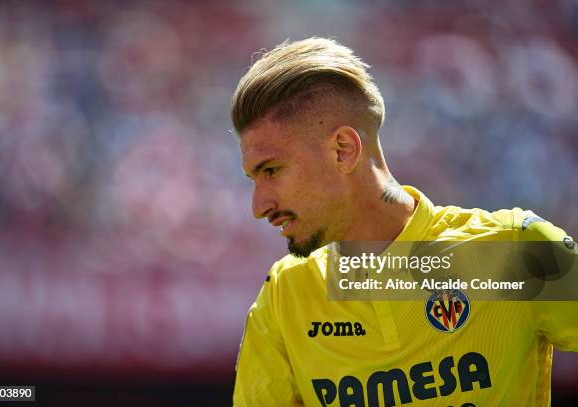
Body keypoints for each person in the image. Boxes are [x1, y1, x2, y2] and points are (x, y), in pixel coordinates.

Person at [231, 37, 577, 406]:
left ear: (342, 150)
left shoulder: (512, 251)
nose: (259, 205)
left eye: (272, 170)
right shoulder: (286, 297)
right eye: (254, 179)